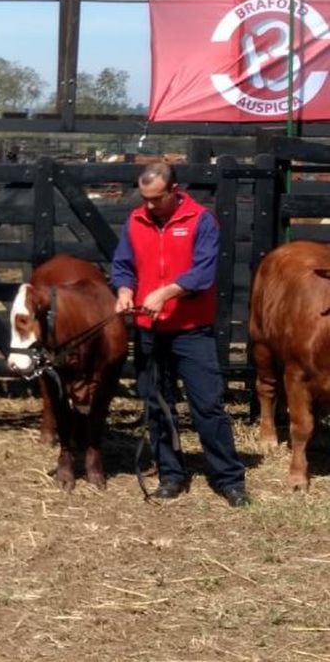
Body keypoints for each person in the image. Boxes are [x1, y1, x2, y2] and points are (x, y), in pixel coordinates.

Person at [112, 162, 250, 507]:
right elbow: (123, 265)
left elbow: (203, 272)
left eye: (157, 199)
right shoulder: (136, 220)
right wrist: (125, 290)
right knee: (158, 405)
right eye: (145, 198)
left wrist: (165, 292)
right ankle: (171, 474)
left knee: (207, 406)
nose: (150, 205)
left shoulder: (200, 220)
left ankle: (229, 479)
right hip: (149, 330)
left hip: (191, 331)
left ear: (175, 191)